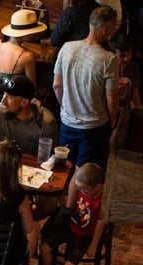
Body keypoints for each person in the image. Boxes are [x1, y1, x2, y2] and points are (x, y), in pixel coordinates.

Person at [53, 6, 119, 210]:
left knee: (65, 169)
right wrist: (112, 120)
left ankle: (55, 209)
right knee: (82, 172)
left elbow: (56, 84)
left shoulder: (67, 48)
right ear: (106, 29)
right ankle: (68, 215)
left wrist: (65, 105)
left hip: (67, 120)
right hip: (94, 126)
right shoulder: (109, 59)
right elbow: (112, 99)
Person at [38, 162, 106, 265]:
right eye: (79, 188)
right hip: (70, 225)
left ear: (98, 185)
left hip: (84, 235)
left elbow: (100, 223)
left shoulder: (103, 200)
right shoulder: (83, 189)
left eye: (85, 190)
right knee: (44, 247)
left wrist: (94, 245)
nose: (82, 192)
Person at [0, 75, 58, 155]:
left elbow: (49, 160)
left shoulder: (47, 124)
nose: (3, 101)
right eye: (4, 94)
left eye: (10, 97)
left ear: (24, 102)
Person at [0, 9, 47, 84]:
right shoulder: (27, 56)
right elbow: (31, 87)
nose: (35, 34)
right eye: (33, 32)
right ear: (25, 34)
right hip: (12, 95)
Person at [109, 30, 143, 109]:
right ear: (112, 53)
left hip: (125, 114)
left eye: (129, 54)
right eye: (122, 55)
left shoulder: (133, 68)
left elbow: (135, 97)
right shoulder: (107, 69)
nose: (126, 59)